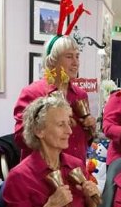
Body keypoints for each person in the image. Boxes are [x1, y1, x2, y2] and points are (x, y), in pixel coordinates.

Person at [14, 33, 96, 162]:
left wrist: (89, 128)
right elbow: (21, 138)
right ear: (52, 60)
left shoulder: (80, 95)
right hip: (44, 171)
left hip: (76, 169)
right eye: (69, 57)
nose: (76, 63)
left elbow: (82, 141)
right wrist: (51, 124)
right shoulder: (33, 93)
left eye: (77, 56)